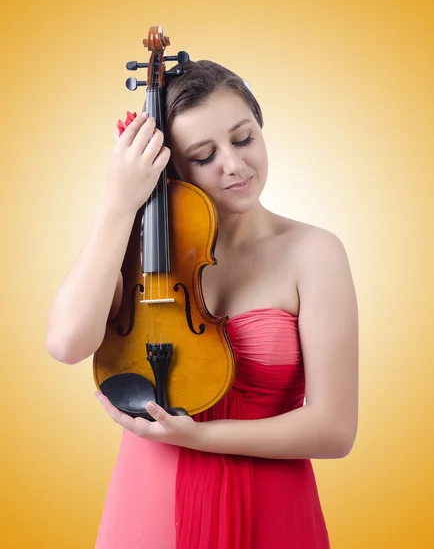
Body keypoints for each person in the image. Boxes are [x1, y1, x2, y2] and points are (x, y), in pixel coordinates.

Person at [46, 59, 359, 549]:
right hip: (150, 504)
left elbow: (334, 430)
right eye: (203, 155)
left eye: (242, 138)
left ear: (261, 128)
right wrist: (118, 202)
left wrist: (198, 438)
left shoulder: (315, 252)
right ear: (172, 165)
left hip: (274, 508)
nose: (233, 165)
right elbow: (67, 343)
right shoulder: (138, 251)